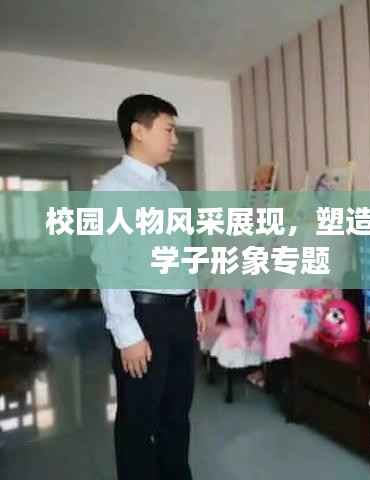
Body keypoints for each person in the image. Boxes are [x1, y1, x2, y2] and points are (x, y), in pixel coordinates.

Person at [91, 93, 206, 480]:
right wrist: (127, 334)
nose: (175, 139)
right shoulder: (113, 189)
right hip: (145, 318)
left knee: (177, 415)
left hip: (180, 315)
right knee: (139, 421)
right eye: (168, 130)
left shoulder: (169, 190)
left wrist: (195, 305)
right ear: (138, 130)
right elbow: (110, 266)